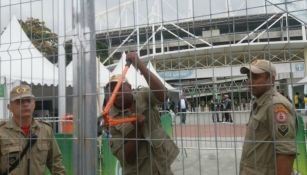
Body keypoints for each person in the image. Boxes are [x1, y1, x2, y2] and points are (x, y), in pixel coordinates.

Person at [104, 52, 179, 175]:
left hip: (162, 168)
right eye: (111, 91)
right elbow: (126, 157)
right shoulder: (110, 120)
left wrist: (140, 66)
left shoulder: (143, 95)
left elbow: (163, 95)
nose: (115, 93)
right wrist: (137, 128)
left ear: (129, 86)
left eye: (118, 87)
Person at [240, 59, 297, 175]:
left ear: (271, 79)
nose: (250, 81)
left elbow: (286, 153)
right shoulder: (261, 103)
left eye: (255, 77)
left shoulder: (275, 106)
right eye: (248, 77)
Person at [0, 84, 65, 175]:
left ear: (34, 104)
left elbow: (56, 164)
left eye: (28, 101)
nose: (25, 104)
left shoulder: (45, 130)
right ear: (9, 107)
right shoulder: (2, 132)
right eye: (19, 101)